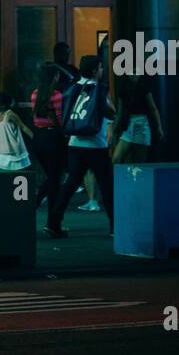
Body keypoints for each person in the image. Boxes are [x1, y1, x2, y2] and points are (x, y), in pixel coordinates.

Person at [46, 55, 116, 237]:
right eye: (100, 68)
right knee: (107, 186)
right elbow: (112, 112)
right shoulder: (99, 89)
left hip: (74, 144)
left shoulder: (72, 87)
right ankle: (115, 226)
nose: (102, 71)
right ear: (94, 71)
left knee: (70, 184)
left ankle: (53, 223)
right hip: (96, 145)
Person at [29, 51, 74, 226]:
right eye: (56, 74)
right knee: (55, 180)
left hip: (39, 138)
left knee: (52, 177)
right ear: (53, 77)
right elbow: (60, 120)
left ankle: (37, 202)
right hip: (53, 138)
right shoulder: (56, 95)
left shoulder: (35, 93)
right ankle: (53, 223)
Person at [111, 71, 164, 163]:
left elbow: (153, 108)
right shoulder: (123, 88)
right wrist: (113, 130)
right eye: (132, 72)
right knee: (116, 158)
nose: (135, 75)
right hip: (128, 125)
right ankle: (121, 177)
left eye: (137, 72)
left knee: (139, 161)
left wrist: (159, 127)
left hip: (141, 124)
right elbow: (119, 113)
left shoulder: (143, 87)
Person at [0, 92, 33, 171]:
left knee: (18, 176)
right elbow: (1, 133)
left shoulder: (10, 114)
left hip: (15, 152)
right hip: (4, 152)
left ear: (3, 104)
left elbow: (23, 127)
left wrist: (36, 138)